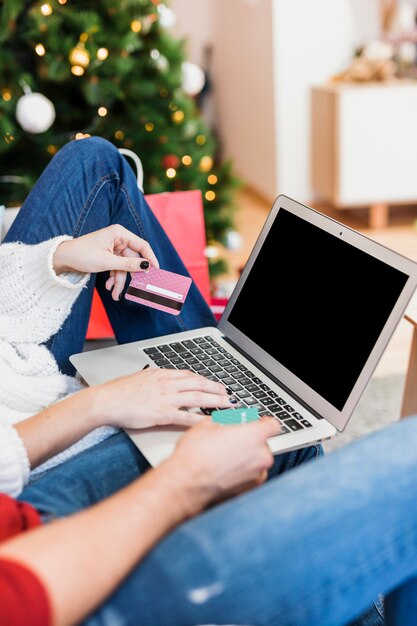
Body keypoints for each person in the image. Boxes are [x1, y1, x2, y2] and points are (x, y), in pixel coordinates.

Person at [0, 137, 394, 625]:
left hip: (10, 385)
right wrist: (106, 411)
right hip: (27, 507)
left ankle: (216, 351)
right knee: (279, 435)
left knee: (97, 162)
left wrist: (59, 258)